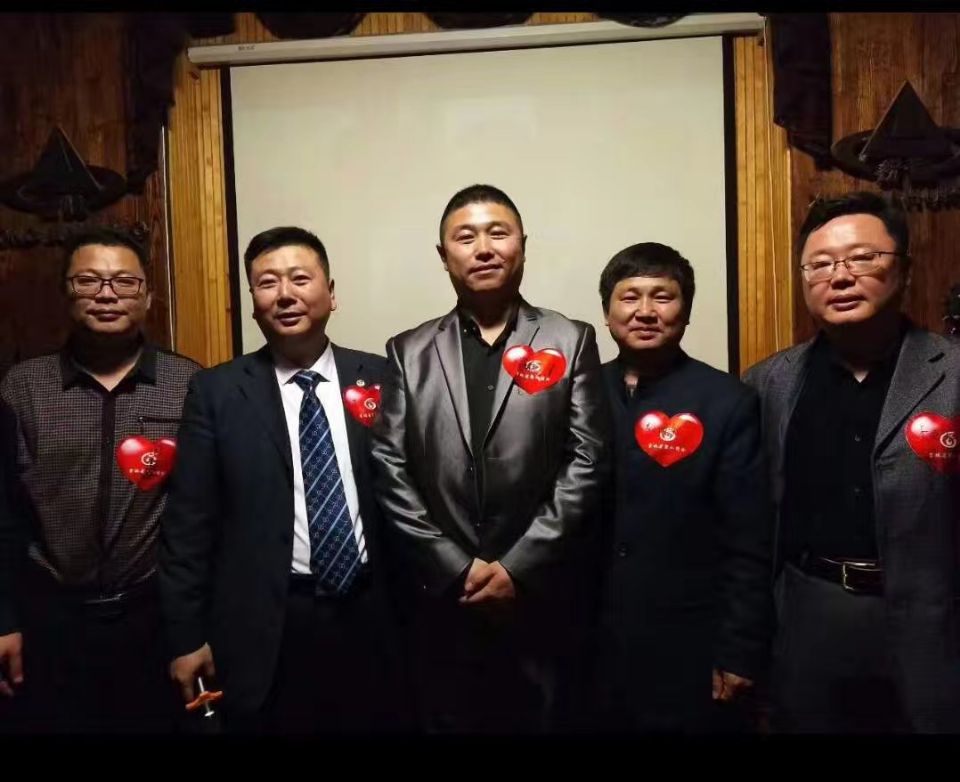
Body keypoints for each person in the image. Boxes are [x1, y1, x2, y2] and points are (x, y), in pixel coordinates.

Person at [370, 184, 609, 732]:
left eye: (497, 233)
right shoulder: (408, 351)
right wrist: (455, 567)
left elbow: (588, 462)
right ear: (443, 255)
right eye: (465, 237)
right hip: (442, 603)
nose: (483, 248)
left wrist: (517, 566)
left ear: (522, 244)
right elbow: (389, 468)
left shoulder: (569, 339)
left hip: (541, 601)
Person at [160, 226, 409, 733]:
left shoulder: (385, 376)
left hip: (375, 611)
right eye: (267, 283)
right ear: (253, 303)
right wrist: (186, 637)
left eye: (300, 278)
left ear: (331, 293)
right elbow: (188, 523)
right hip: (269, 621)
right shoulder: (216, 392)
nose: (285, 294)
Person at [743, 191, 960, 733]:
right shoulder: (768, 382)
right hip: (809, 614)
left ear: (904, 270)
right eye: (820, 264)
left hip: (934, 620)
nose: (840, 276)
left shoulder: (952, 371)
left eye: (863, 258)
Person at [0, 226, 199, 732]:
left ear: (147, 297)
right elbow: (3, 515)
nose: (107, 294)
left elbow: (204, 515)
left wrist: (195, 628)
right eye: (88, 280)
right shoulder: (22, 388)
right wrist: (4, 620)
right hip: (49, 619)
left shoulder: (188, 384)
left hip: (151, 619)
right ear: (66, 293)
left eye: (124, 282)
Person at [591, 242, 772, 732]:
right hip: (589, 642)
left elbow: (748, 537)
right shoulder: (579, 392)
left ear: (686, 311)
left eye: (663, 296)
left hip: (686, 643)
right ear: (607, 313)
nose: (645, 311)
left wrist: (738, 649)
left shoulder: (727, 401)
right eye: (630, 297)